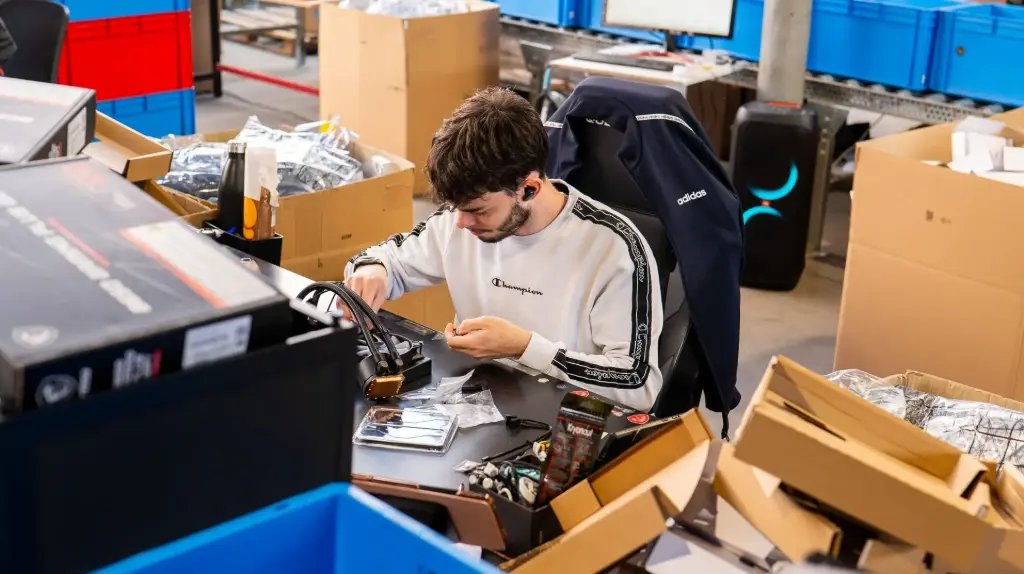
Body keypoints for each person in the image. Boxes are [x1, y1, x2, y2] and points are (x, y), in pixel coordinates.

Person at [342, 87, 664, 412]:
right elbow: (387, 259)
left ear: (529, 189)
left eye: (478, 211)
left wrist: (524, 347)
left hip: (568, 422)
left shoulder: (614, 249)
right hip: (479, 406)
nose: (461, 224)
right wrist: (373, 270)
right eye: (455, 207)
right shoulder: (458, 219)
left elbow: (637, 385)